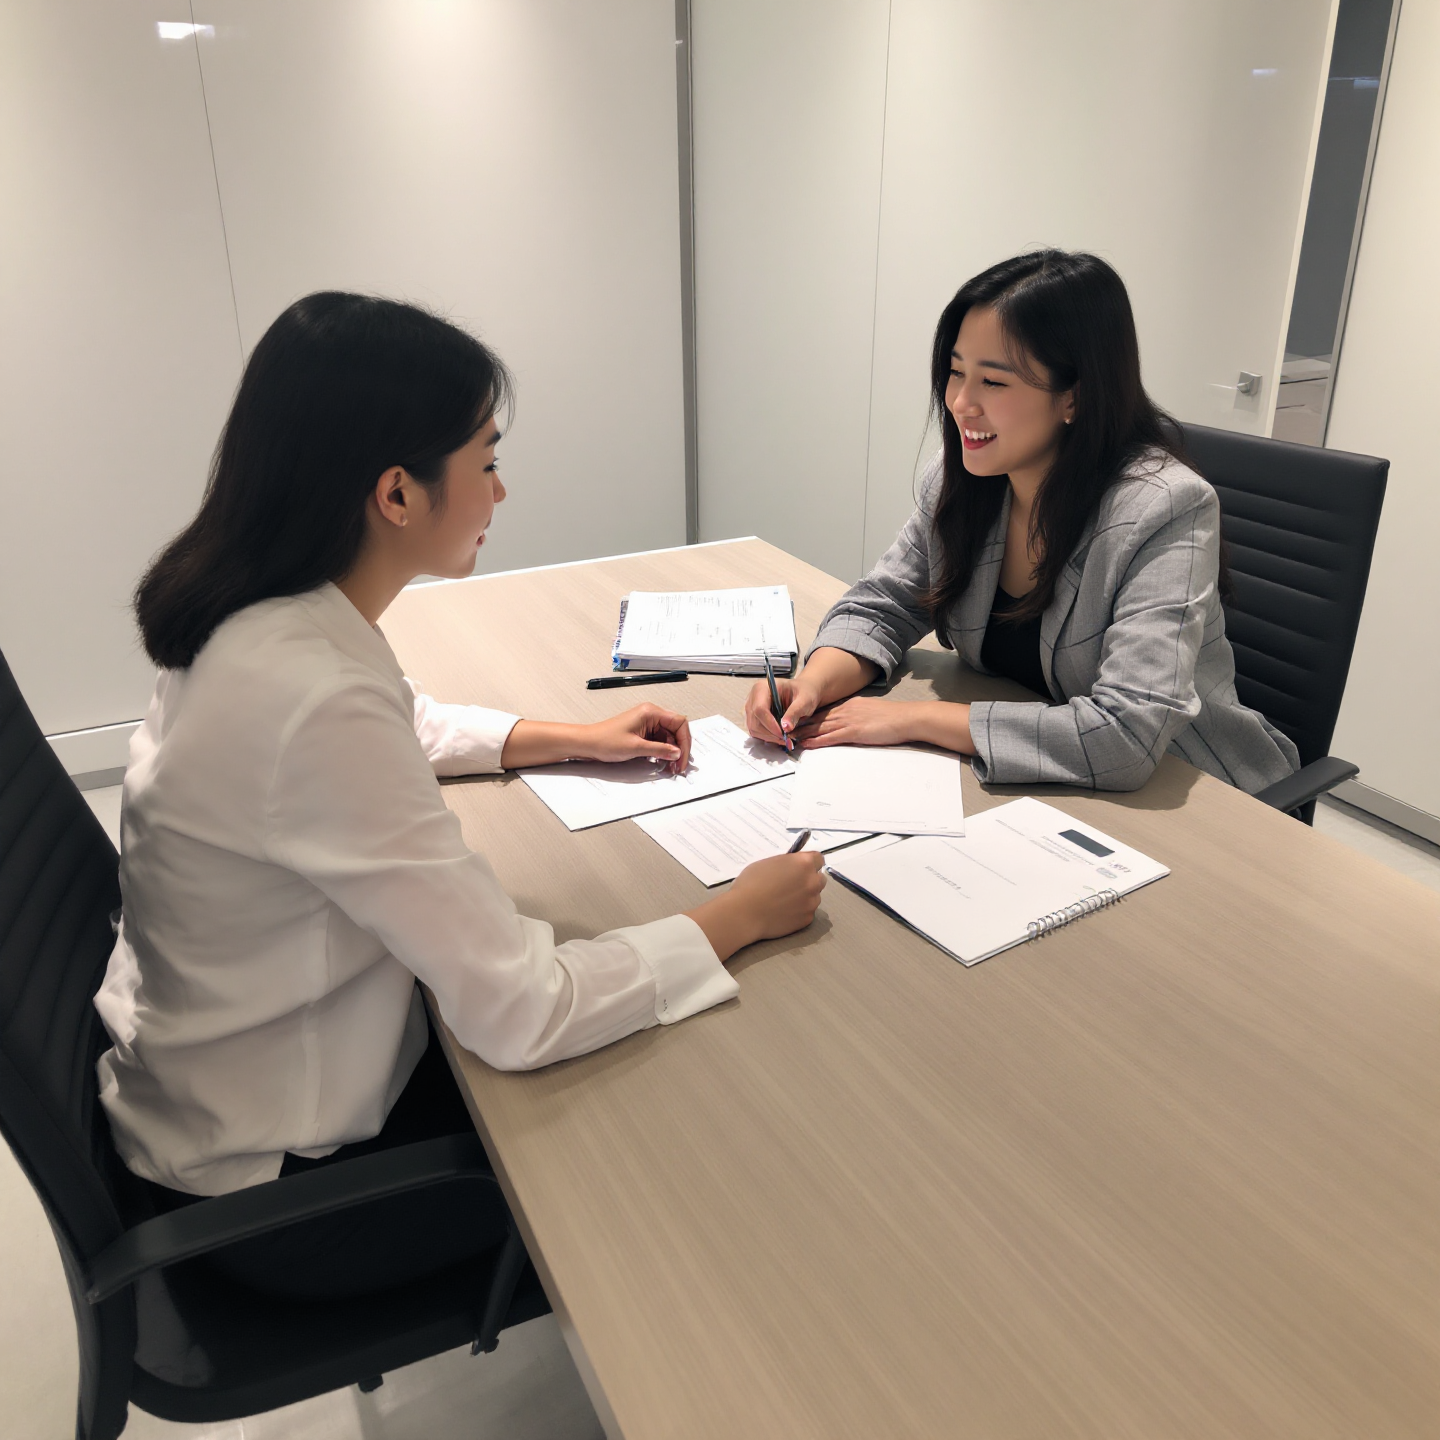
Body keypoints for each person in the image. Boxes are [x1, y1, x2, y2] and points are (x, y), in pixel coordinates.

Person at [96, 291, 825, 1299]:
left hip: (203, 1088)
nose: (500, 490)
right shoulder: (311, 696)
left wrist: (572, 738)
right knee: (687, 1142)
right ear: (397, 494)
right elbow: (523, 1013)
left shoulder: (253, 611)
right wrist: (735, 916)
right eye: (485, 462)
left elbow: (404, 723)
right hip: (281, 1194)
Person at [745, 250, 1298, 795]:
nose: (961, 403)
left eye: (993, 382)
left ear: (1074, 397)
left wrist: (911, 719)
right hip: (1042, 778)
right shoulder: (963, 478)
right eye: (956, 372)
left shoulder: (1163, 508)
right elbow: (885, 604)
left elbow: (1127, 734)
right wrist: (811, 683)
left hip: (1198, 793)